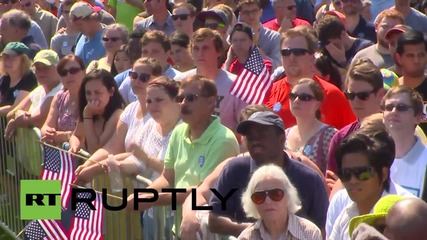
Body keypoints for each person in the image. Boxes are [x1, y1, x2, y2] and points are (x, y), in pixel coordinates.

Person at [125, 75, 240, 239]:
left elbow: (202, 192)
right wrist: (144, 195)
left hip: (209, 233)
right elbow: (167, 177)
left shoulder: (223, 140)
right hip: (181, 229)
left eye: (191, 98)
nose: (183, 103)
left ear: (210, 102)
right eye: (180, 98)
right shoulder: (179, 132)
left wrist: (152, 200)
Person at [208, 111, 329, 237]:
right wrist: (257, 232)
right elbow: (214, 219)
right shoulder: (234, 170)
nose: (255, 141)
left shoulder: (309, 178)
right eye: (250, 137)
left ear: (281, 139)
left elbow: (323, 228)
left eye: (262, 136)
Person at [74, 57, 163, 180]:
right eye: (133, 75)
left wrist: (95, 168)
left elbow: (138, 156)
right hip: (127, 185)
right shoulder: (130, 109)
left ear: (157, 79)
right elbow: (111, 148)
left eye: (144, 77)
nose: (137, 81)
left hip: (150, 186)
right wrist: (87, 165)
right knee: (51, 190)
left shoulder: (159, 113)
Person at [263, 27, 355, 130]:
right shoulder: (269, 92)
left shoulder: (332, 95)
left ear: (312, 57)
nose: (292, 57)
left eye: (298, 52)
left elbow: (350, 136)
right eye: (286, 53)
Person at [174, 28, 247, 133]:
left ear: (218, 52)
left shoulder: (236, 84)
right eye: (196, 48)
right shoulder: (180, 81)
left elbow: (243, 125)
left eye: (205, 48)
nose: (200, 53)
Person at [330, 129, 396, 240]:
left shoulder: (399, 217)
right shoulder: (344, 217)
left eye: (362, 173)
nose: (353, 180)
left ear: (384, 174)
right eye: (346, 174)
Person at [326, 58, 385, 175]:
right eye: (351, 95)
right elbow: (331, 181)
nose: (356, 101)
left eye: (363, 96)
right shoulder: (340, 138)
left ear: (380, 94)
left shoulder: (395, 132)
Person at [238, 164, 322, 239]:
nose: (268, 201)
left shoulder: (310, 234)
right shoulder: (246, 237)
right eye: (259, 197)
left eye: (276, 194)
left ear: (288, 196)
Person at [4, 50, 62, 139]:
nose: (41, 72)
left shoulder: (60, 90)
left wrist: (15, 121)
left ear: (58, 68)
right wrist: (19, 114)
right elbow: (11, 114)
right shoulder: (39, 90)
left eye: (46, 68)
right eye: (38, 68)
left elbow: (38, 119)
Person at [382, 86, 427, 199]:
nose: (393, 112)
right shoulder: (373, 158)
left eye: (401, 108)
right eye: (389, 107)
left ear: (418, 117)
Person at [286, 78, 337, 173]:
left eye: (304, 97)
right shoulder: (285, 134)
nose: (296, 100)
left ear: (317, 105)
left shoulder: (329, 135)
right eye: (293, 96)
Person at [68, 69, 124, 154]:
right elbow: (76, 135)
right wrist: (74, 145)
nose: (92, 98)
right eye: (88, 93)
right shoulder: (89, 110)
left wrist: (88, 116)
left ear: (111, 91)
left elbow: (95, 149)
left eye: (98, 92)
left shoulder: (118, 115)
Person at [119, 30, 180, 104]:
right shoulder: (131, 79)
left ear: (167, 53)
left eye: (155, 51)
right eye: (145, 52)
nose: (149, 56)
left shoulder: (178, 79)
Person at [40, 54, 85, 146]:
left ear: (84, 72)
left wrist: (65, 136)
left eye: (73, 71)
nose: (68, 75)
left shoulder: (91, 97)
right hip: (62, 156)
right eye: (63, 72)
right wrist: (49, 133)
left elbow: (91, 133)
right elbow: (46, 126)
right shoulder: (59, 97)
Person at [395, 30, 427, 133]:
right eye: (410, 56)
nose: (416, 61)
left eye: (421, 55)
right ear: (399, 58)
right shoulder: (392, 90)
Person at [238, 0, 282, 69]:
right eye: (246, 12)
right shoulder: (235, 37)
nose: (251, 15)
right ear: (241, 15)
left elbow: (277, 67)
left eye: (254, 11)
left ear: (260, 12)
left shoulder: (274, 37)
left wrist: (254, 48)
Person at [0, 42, 37, 116]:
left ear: (23, 60)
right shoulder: (5, 78)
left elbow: (16, 107)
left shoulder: (29, 78)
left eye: (13, 58)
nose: (8, 62)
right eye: (6, 57)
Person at [70, 1, 107, 66]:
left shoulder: (109, 39)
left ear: (92, 18)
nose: (77, 29)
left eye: (79, 24)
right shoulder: (80, 37)